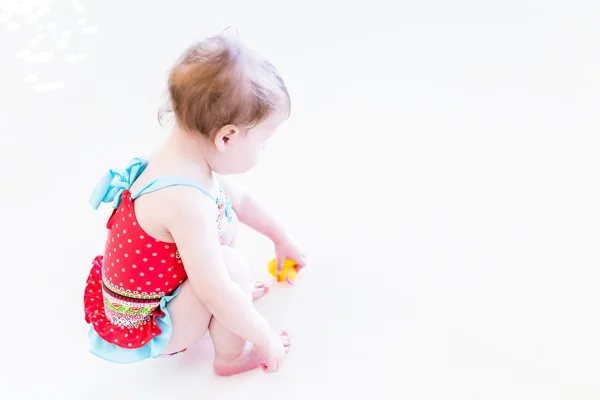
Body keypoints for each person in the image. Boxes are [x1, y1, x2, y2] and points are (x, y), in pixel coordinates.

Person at [83, 32, 307, 376]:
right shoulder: (184, 199)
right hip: (154, 325)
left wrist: (282, 239)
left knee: (226, 230)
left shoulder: (182, 159)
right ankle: (230, 358)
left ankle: (233, 308)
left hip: (163, 293)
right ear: (226, 137)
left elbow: (241, 199)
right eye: (264, 142)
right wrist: (264, 337)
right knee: (229, 269)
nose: (264, 151)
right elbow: (215, 291)